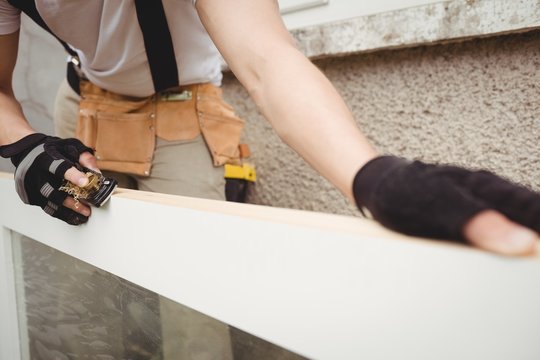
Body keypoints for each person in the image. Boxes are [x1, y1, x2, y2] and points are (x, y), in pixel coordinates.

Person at [0, 0, 539, 258]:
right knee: (91, 266)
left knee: (194, 278)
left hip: (179, 112)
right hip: (80, 103)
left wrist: (373, 177)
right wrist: (24, 144)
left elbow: (266, 62)